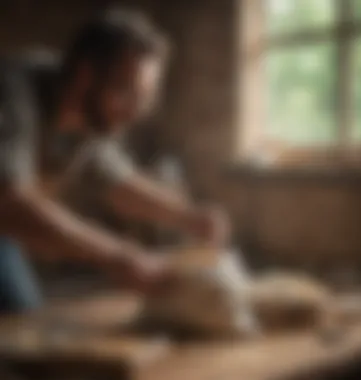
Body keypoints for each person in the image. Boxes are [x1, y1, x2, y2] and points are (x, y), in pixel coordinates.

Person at [0, 9, 230, 314]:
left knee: (23, 319)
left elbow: (118, 182)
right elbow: (11, 203)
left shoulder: (88, 115)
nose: (137, 111)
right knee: (18, 328)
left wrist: (189, 216)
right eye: (127, 92)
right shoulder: (13, 92)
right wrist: (119, 255)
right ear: (85, 75)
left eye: (145, 96)